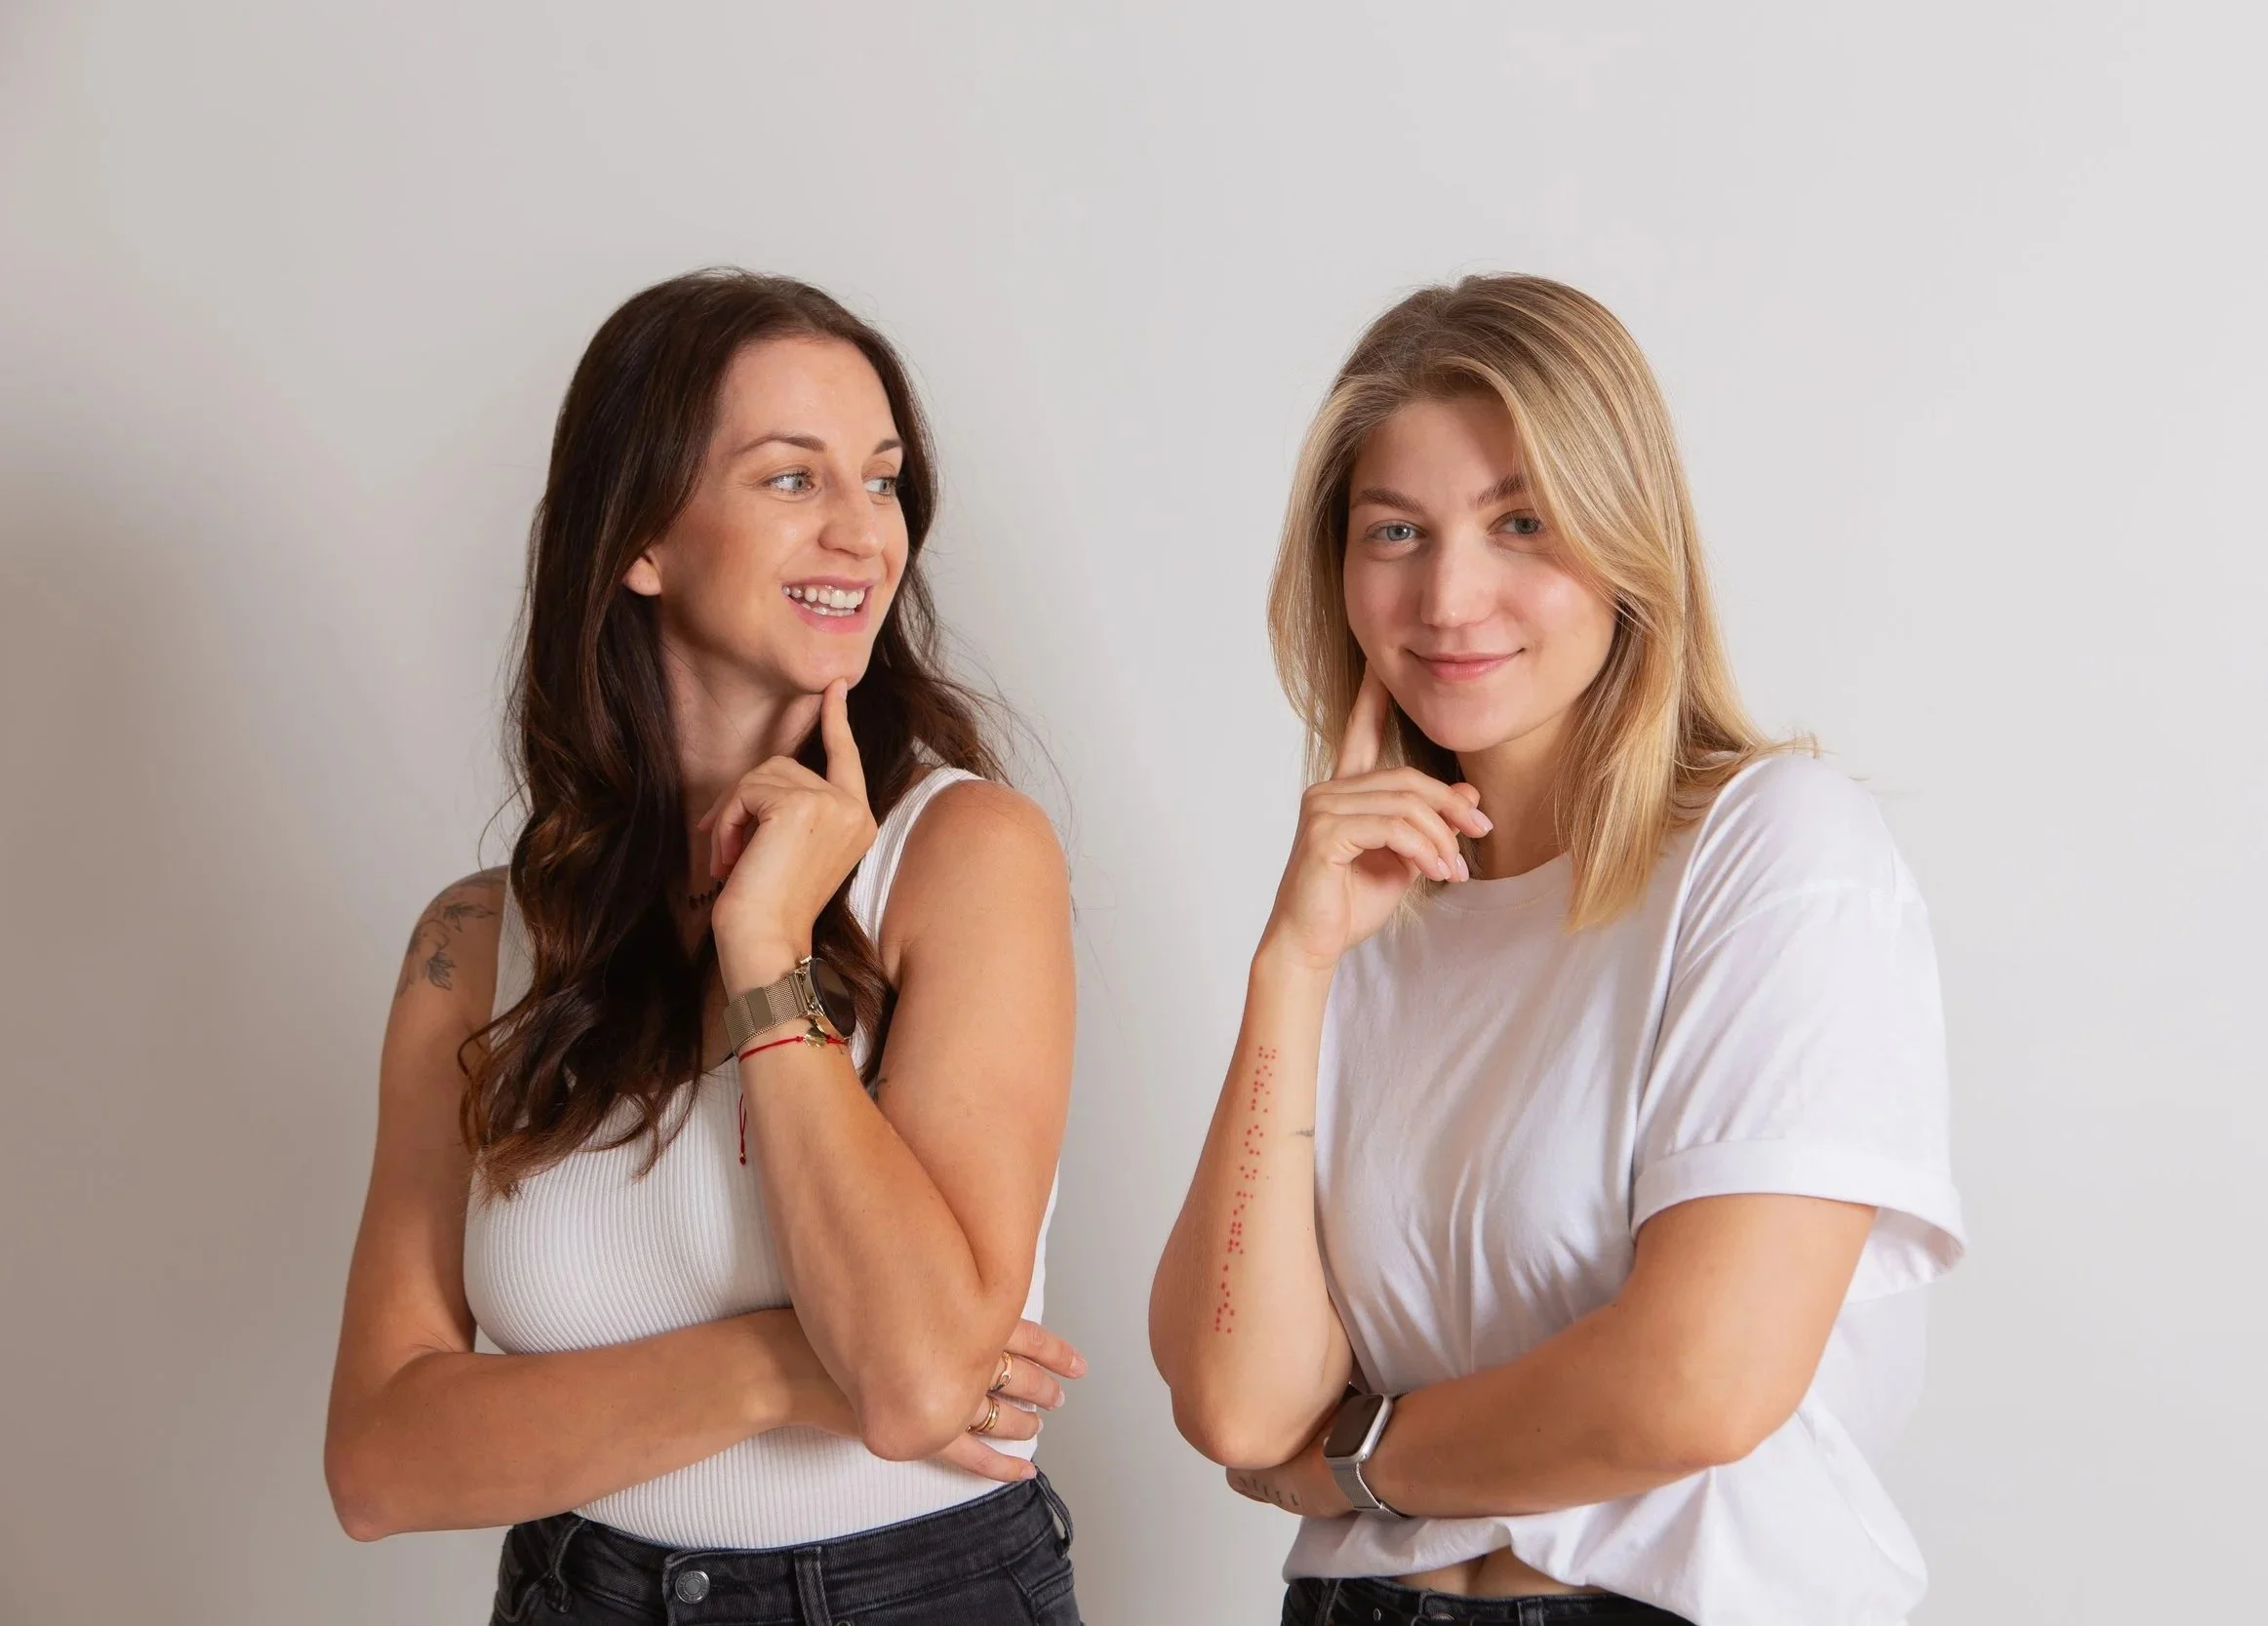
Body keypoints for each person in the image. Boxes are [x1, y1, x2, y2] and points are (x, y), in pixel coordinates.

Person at [1149, 274, 1964, 1626]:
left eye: (1520, 521)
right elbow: (1238, 1402)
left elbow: (1697, 1384)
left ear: (1629, 539)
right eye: (1395, 531)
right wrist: (1290, 968)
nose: (1449, 595)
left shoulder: (1776, 851)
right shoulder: (1366, 908)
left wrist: (1357, 1464)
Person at [325, 269, 1084, 1626]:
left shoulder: (963, 857)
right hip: (577, 1592)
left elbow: (912, 1380)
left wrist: (765, 943)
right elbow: (380, 1460)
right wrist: (777, 1370)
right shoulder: (477, 940)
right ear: (641, 541)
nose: (862, 531)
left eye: (882, 479)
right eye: (792, 478)